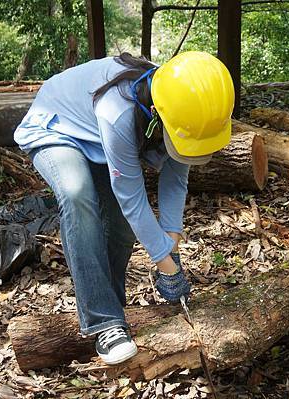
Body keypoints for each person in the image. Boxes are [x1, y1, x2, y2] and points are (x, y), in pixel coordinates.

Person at [13, 51, 234, 365]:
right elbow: (131, 194)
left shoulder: (185, 101)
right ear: (157, 113)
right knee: (78, 196)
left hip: (98, 139)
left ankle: (113, 306)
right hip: (56, 129)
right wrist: (164, 263)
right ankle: (104, 322)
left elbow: (176, 177)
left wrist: (171, 242)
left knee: (120, 226)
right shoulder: (119, 111)